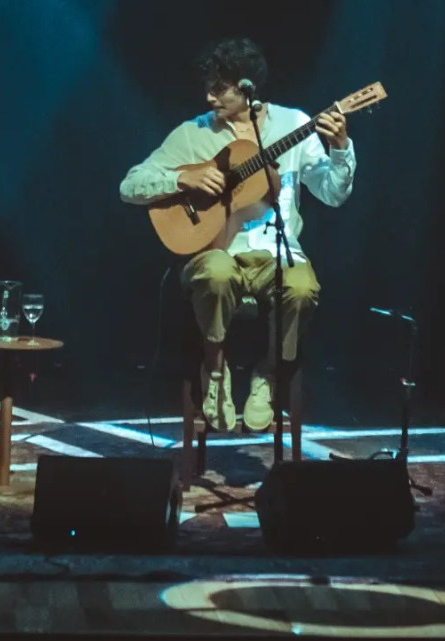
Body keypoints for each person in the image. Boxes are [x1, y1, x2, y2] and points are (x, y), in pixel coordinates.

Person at [119, 37, 356, 432]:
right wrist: (182, 176)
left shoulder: (294, 124)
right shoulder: (192, 134)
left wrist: (341, 148)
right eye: (207, 87)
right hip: (216, 251)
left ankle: (268, 373)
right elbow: (130, 185)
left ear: (247, 87)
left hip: (279, 254)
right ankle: (214, 369)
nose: (209, 97)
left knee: (302, 287)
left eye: (219, 88)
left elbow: (332, 195)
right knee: (216, 273)